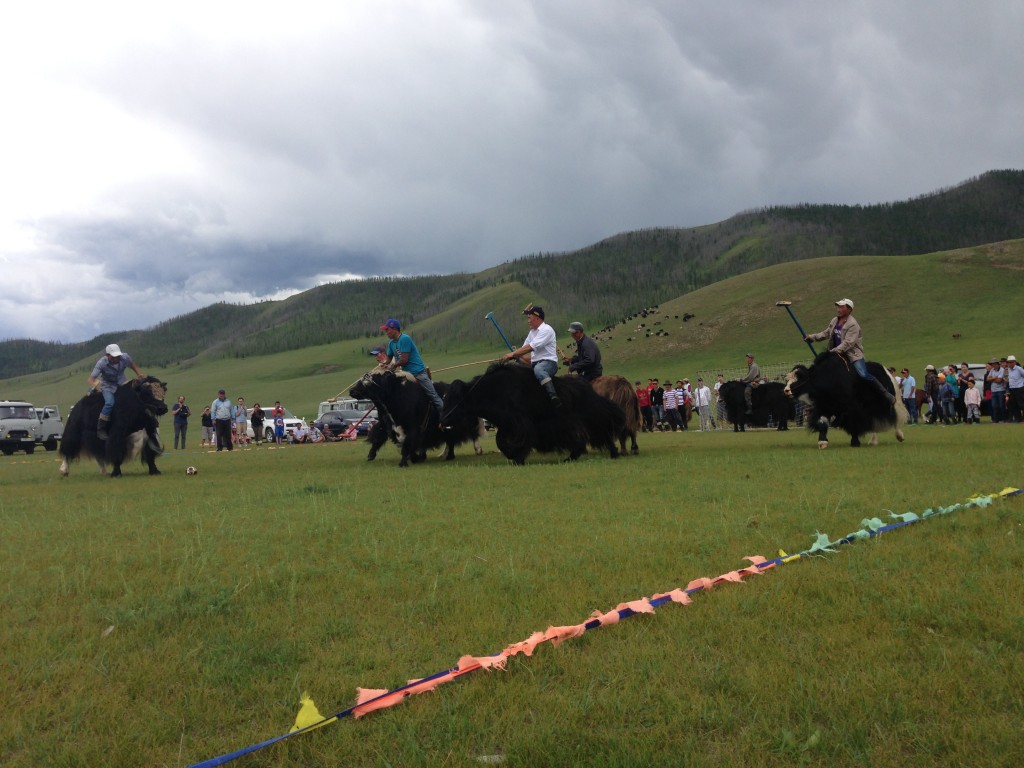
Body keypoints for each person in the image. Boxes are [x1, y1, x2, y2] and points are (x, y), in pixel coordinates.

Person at [803, 298, 895, 406]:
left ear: (849, 309)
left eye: (842, 307)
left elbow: (848, 343)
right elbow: (827, 333)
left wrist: (832, 352)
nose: (838, 309)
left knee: (863, 374)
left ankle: (885, 394)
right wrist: (812, 337)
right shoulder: (834, 320)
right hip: (836, 353)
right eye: (838, 307)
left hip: (852, 354)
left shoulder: (853, 325)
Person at [380, 318, 446, 415]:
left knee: (433, 396)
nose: (386, 332)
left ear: (394, 329)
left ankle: (444, 418)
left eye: (387, 330)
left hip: (418, 373)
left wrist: (393, 366)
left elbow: (404, 360)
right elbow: (389, 358)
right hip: (406, 374)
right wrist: (384, 363)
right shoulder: (391, 343)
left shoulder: (404, 339)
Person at [87, 343, 148, 441]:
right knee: (109, 403)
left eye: (118, 356)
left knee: (134, 397)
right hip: (108, 386)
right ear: (107, 356)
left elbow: (133, 365)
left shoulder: (125, 357)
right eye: (114, 356)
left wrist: (139, 374)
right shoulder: (101, 363)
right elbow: (91, 379)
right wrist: (95, 389)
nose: (117, 358)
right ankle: (101, 429)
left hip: (122, 382)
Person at [503, 304, 561, 406]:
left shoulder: (546, 330)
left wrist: (512, 353)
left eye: (529, 318)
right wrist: (515, 356)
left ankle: (553, 396)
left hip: (549, 364)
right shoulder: (532, 333)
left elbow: (529, 348)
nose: (528, 321)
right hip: (534, 364)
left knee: (539, 369)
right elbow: (523, 350)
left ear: (537, 318)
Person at [987, 357, 1007, 423]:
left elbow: (999, 380)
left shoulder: (1002, 370)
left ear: (997, 363)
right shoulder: (992, 370)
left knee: (1001, 405)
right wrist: (994, 378)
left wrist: (992, 379)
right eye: (992, 364)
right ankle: (996, 419)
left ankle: (1003, 419)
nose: (993, 365)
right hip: (993, 390)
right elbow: (987, 379)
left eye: (993, 364)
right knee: (994, 405)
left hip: (1001, 390)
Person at [1007, 355, 1024, 422]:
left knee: (1021, 404)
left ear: (1014, 362)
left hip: (1019, 388)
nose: (1010, 364)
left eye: (1011, 362)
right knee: (1014, 404)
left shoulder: (1019, 369)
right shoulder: (1009, 370)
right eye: (1009, 362)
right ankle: (1018, 418)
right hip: (1012, 389)